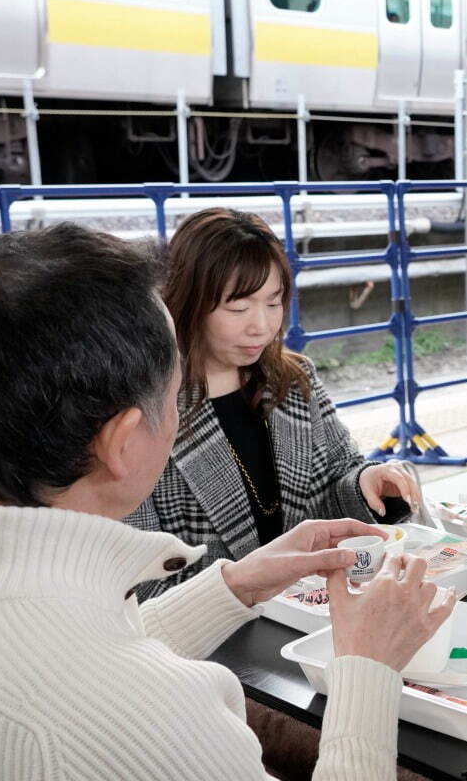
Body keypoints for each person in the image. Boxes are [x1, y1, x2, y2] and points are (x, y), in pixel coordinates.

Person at [0, 224, 456, 781]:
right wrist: (366, 665)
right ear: (124, 440)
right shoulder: (141, 709)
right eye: (172, 386)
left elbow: (66, 658)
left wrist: (236, 583)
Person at [126, 208, 418, 600]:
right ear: (188, 302)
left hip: (316, 612)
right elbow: (137, 581)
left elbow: (340, 474)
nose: (261, 326)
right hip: (216, 638)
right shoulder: (147, 411)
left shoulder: (293, 381)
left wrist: (366, 483)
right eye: (239, 307)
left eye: (273, 302)